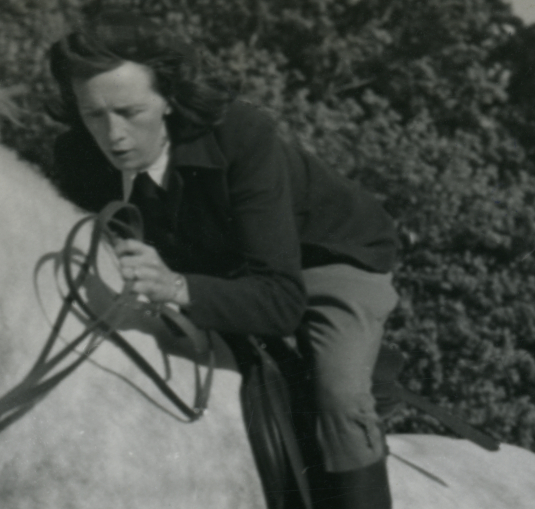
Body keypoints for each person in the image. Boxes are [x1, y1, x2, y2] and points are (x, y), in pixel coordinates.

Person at [47, 11, 401, 509]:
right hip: (215, 268)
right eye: (94, 115)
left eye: (130, 112)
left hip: (324, 258)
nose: (113, 136)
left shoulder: (242, 134)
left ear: (168, 98)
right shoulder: (76, 157)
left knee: (339, 396)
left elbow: (280, 303)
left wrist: (175, 288)